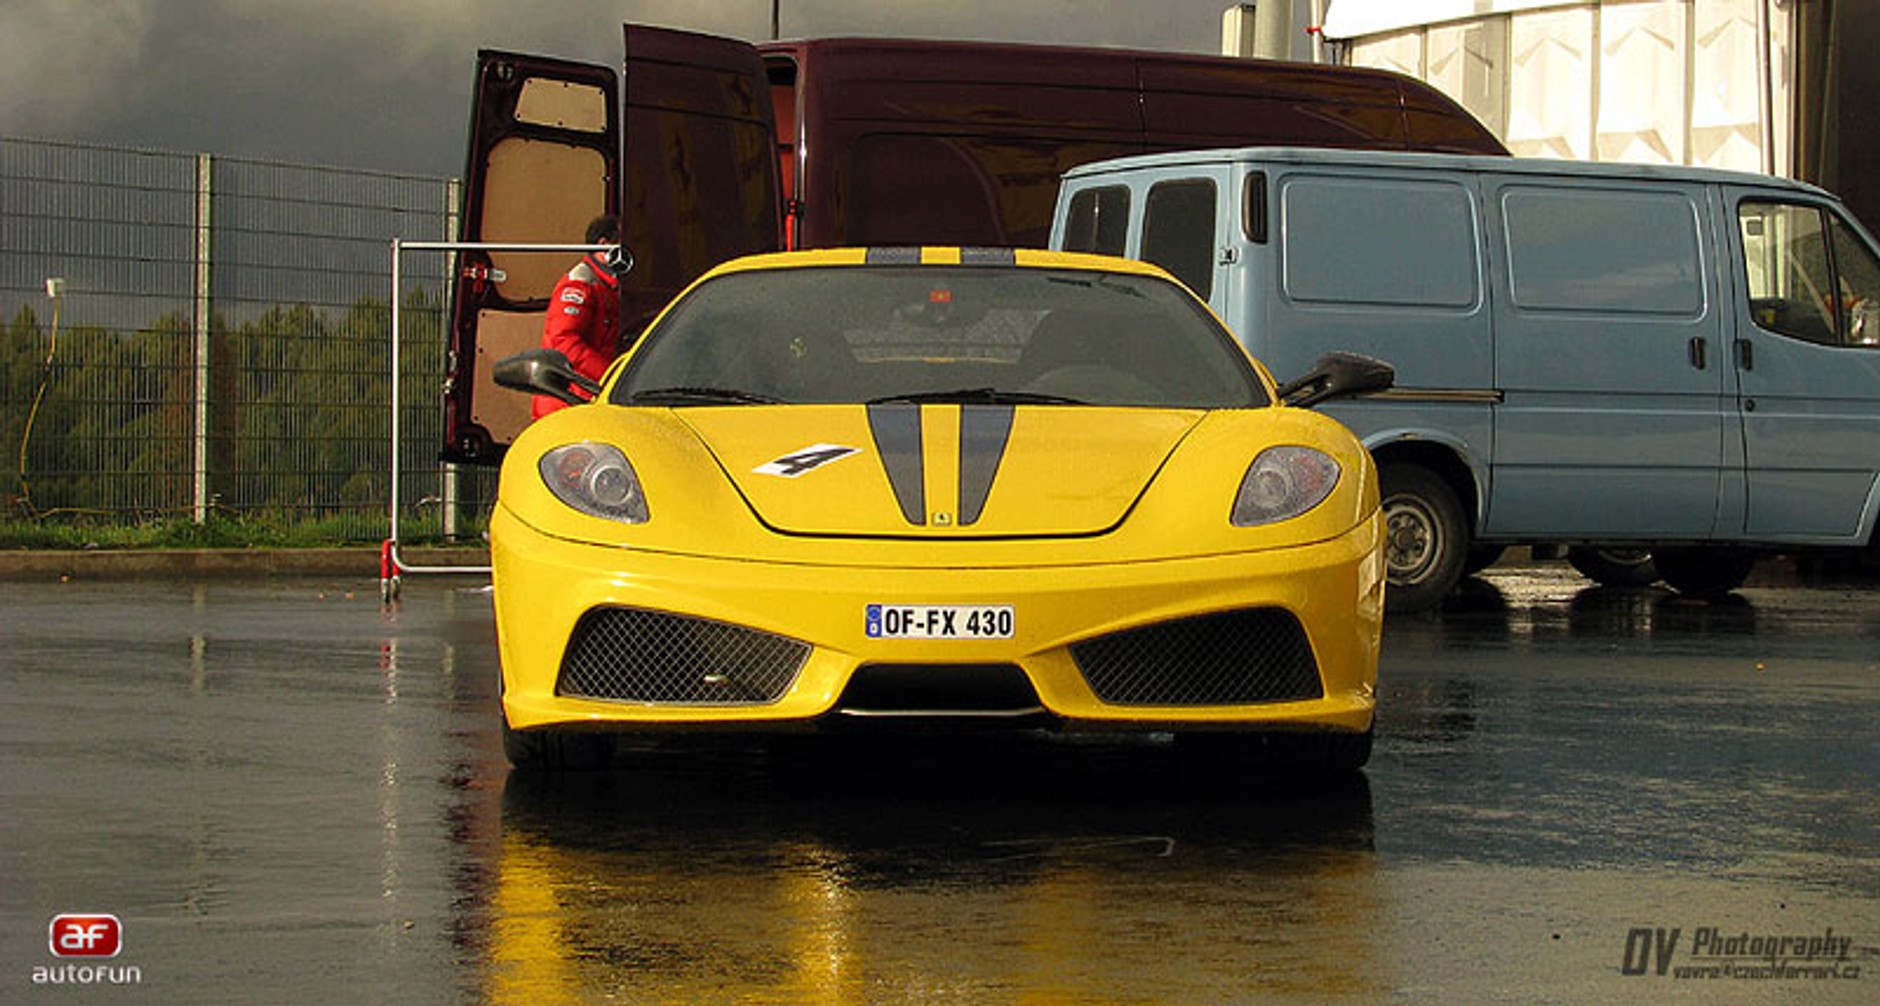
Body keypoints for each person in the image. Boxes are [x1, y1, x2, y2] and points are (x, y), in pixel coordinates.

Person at [532, 214, 624, 418]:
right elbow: (564, 342)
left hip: (586, 399)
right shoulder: (580, 285)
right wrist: (611, 376)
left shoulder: (608, 286)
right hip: (567, 403)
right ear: (604, 245)